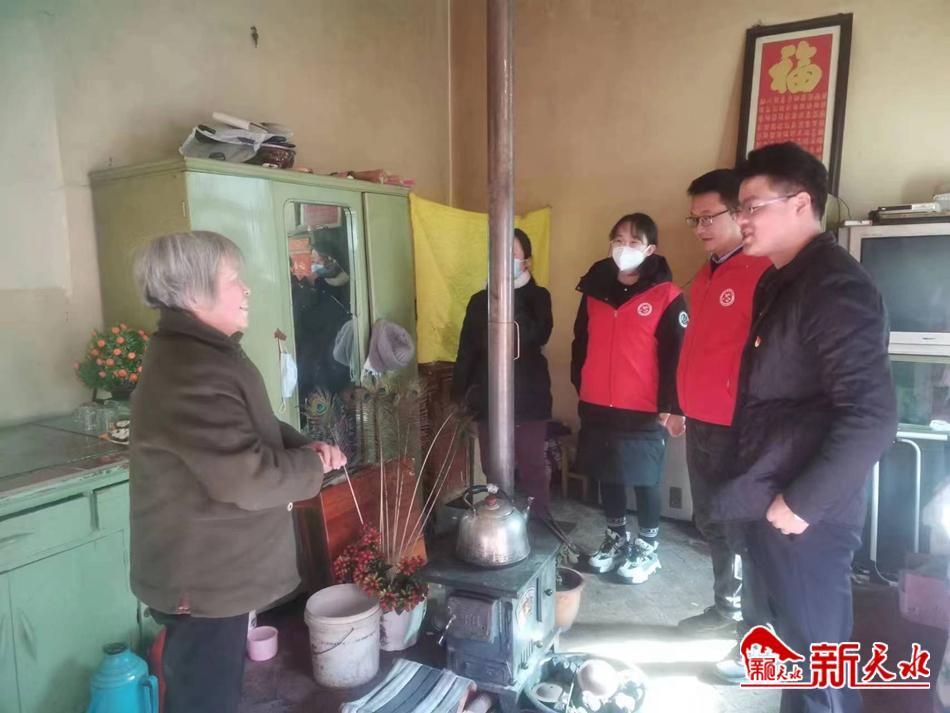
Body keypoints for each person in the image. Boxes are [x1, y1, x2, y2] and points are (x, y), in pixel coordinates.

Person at [714, 143, 897, 712]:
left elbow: (872, 417)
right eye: (739, 208)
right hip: (776, 493)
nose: (741, 219)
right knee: (798, 654)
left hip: (807, 514)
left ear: (800, 203)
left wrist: (802, 503)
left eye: (751, 206)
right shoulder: (783, 280)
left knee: (822, 667)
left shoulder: (835, 286)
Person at [130, 231, 346, 713]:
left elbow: (253, 426)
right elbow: (247, 477)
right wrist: (311, 465)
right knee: (204, 702)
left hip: (215, 574)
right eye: (233, 279)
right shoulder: (191, 370)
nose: (246, 289)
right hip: (203, 579)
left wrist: (300, 445)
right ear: (192, 294)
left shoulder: (206, 352)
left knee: (212, 692)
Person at [675, 170, 772, 650]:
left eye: (708, 217)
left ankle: (757, 633)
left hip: (739, 424)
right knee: (711, 520)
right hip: (701, 417)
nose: (699, 228)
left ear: (739, 213)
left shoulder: (763, 270)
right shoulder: (706, 272)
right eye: (694, 219)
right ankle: (726, 607)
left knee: (744, 528)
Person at [571, 213, 687, 583]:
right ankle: (616, 536)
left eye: (635, 241)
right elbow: (580, 342)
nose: (625, 247)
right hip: (597, 402)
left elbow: (677, 355)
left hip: (644, 407)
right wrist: (582, 383)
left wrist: (673, 405)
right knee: (609, 474)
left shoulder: (668, 296)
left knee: (644, 477)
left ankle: (648, 547)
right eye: (619, 239)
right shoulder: (594, 292)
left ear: (650, 250)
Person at [452, 228, 554, 517]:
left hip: (529, 397)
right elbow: (467, 350)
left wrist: (508, 296)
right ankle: (500, 522)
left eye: (512, 253)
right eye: (497, 253)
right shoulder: (478, 301)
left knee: (532, 465)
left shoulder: (538, 297)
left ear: (527, 261)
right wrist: (458, 394)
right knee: (493, 467)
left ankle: (540, 521)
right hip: (488, 397)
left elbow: (539, 334)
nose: (503, 259)